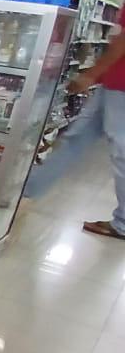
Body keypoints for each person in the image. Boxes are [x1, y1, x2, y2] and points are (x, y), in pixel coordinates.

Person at [68, 24, 125, 240]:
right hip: (113, 83)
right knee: (76, 137)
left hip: (121, 85)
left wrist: (91, 74)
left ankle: (123, 224)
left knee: (122, 152)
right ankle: (26, 192)